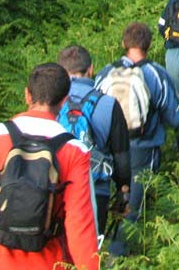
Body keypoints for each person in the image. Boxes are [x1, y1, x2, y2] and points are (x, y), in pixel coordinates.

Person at [0, 63, 100, 270]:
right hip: (49, 264)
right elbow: (80, 223)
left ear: (27, 95)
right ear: (63, 101)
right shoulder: (74, 150)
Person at [94, 23, 179, 256]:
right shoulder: (156, 73)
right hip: (142, 149)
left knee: (104, 203)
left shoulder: (106, 72)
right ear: (149, 45)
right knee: (132, 209)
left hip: (106, 152)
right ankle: (120, 255)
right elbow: (175, 116)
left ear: (124, 44)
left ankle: (96, 252)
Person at [57, 45, 131, 240]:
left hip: (56, 190)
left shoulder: (51, 101)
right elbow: (121, 156)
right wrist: (124, 191)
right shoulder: (108, 104)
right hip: (95, 192)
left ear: (61, 71)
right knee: (89, 253)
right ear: (91, 68)